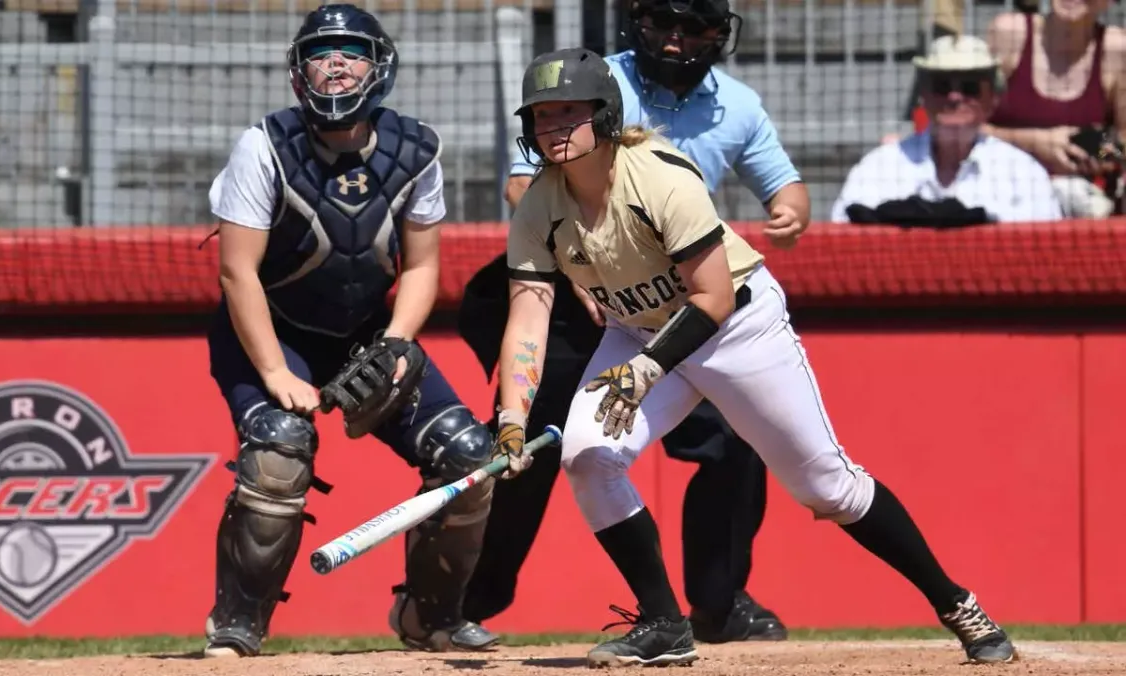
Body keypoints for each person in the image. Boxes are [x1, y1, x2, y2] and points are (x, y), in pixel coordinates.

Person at [489, 46, 1019, 668]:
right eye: (541, 115)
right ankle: (664, 623)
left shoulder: (660, 175)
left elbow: (712, 298)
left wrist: (646, 368)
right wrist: (511, 418)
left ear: (604, 114)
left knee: (828, 488)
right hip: (638, 331)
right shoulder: (538, 205)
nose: (552, 128)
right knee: (587, 457)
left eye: (568, 112)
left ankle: (956, 603)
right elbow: (528, 314)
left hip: (735, 327)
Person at [460, 0, 806, 643]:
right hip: (571, 298)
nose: (677, 40)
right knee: (526, 440)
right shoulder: (592, 80)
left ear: (720, 33)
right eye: (663, 24)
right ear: (638, 24)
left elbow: (784, 186)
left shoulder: (740, 104)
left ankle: (717, 602)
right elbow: (522, 189)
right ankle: (467, 603)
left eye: (696, 27)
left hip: (673, 307)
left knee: (734, 440)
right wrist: (583, 267)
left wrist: (791, 209)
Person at [199, 4, 498, 657]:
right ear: (298, 69)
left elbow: (421, 266)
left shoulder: (416, 149)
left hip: (367, 328)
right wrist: (276, 373)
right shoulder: (264, 146)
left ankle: (432, 616)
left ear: (378, 65)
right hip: (273, 330)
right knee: (279, 449)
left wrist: (396, 341)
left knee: (470, 457)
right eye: (320, 51)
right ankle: (237, 623)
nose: (335, 64)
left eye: (351, 51)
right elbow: (237, 275)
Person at [833, 35, 1062, 225]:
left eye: (969, 87)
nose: (954, 97)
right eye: (942, 85)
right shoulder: (879, 168)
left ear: (992, 99)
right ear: (923, 96)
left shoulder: (1022, 174)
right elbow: (842, 239)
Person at [984, 0, 1126, 218]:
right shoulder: (1010, 33)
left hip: (1083, 208)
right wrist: (1037, 142)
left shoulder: (1116, 48)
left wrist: (1091, 147)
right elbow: (964, 129)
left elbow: (1121, 149)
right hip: (1004, 199)